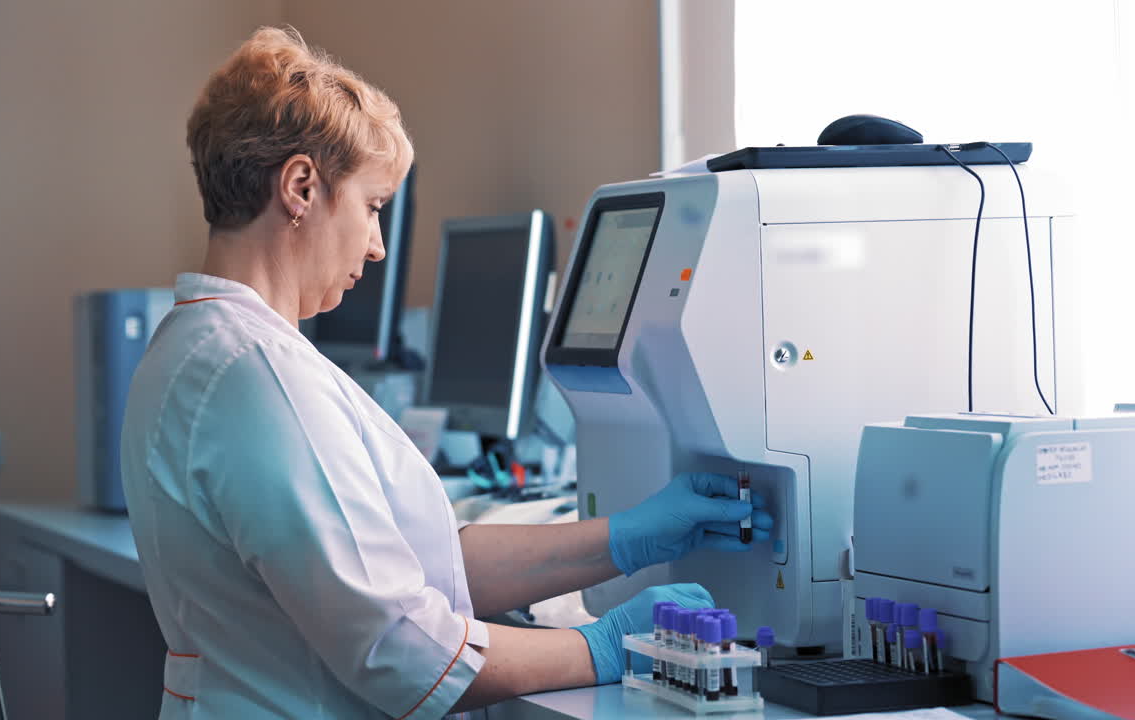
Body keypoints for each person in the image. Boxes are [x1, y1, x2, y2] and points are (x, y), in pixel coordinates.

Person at [120, 26, 772, 720]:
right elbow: (402, 649)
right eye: (372, 207)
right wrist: (606, 646)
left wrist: (624, 538)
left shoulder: (194, 343)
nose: (376, 246)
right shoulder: (256, 373)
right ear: (301, 186)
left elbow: (408, 573)